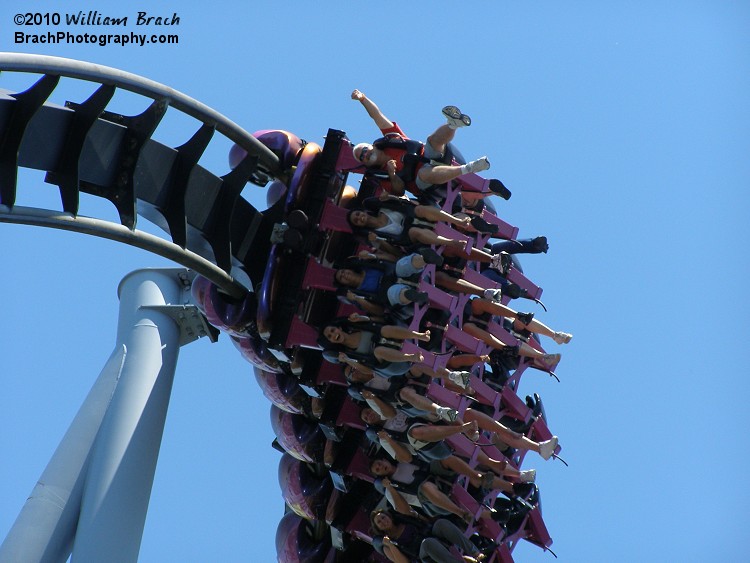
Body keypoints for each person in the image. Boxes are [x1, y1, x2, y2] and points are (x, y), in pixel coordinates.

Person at [351, 89, 511, 201]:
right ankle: (470, 168)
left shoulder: (390, 140)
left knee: (431, 140)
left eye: (364, 150)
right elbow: (399, 191)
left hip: (428, 155)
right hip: (424, 183)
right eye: (362, 157)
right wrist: (392, 174)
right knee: (423, 174)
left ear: (372, 146)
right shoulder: (381, 175)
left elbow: (377, 116)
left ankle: (453, 124)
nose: (365, 154)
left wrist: (362, 99)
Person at [370, 508, 488, 563]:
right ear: (379, 528)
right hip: (422, 555)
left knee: (441, 523)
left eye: (383, 517)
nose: (383, 521)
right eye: (379, 522)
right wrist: (390, 545)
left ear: (388, 516)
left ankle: (476, 553)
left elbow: (423, 522)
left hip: (429, 536)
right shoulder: (387, 544)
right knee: (428, 543)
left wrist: (417, 516)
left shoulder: (402, 520)